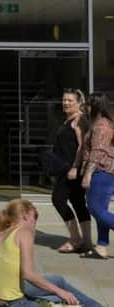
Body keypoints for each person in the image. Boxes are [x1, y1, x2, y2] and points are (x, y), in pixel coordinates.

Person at [0, 199, 102, 307]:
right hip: (12, 303)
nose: (35, 222)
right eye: (35, 217)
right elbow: (28, 274)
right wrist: (59, 291)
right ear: (25, 215)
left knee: (57, 281)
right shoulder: (24, 233)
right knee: (58, 293)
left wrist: (58, 291)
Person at [51, 88, 92, 254]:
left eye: (70, 100)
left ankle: (76, 239)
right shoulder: (68, 119)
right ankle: (86, 242)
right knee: (78, 202)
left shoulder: (79, 120)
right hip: (65, 168)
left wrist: (75, 167)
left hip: (72, 169)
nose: (65, 103)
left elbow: (83, 146)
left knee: (58, 199)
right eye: (64, 99)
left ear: (79, 102)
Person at [80, 92, 114, 260]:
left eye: (88, 104)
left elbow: (98, 151)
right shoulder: (106, 123)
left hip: (100, 172)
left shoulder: (101, 126)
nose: (85, 107)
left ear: (94, 106)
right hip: (106, 173)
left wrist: (87, 174)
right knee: (101, 210)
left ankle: (101, 246)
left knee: (96, 209)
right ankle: (101, 246)